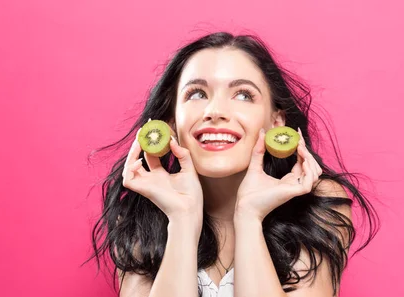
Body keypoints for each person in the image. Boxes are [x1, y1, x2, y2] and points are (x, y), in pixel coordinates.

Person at [87, 32, 378, 297]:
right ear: (172, 122)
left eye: (243, 95)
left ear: (276, 122)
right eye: (197, 94)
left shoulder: (316, 202)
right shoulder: (142, 212)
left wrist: (250, 216)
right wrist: (182, 218)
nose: (216, 111)